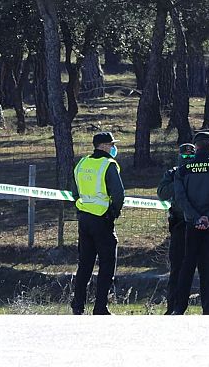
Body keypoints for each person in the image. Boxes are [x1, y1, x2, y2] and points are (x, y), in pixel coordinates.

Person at [172, 132, 209, 315]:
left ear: (196, 146)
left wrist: (196, 217)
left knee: (187, 265)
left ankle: (179, 307)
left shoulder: (184, 169)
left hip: (192, 224)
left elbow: (180, 197)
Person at [71, 132, 125, 315]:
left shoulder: (82, 163)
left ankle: (78, 305)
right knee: (107, 263)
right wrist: (113, 213)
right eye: (111, 145)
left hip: (84, 219)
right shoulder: (108, 165)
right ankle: (100, 307)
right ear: (103, 146)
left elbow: (74, 191)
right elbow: (118, 194)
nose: (113, 148)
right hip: (102, 219)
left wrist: (80, 208)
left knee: (84, 264)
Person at [157, 143, 196, 315]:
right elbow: (162, 192)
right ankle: (172, 306)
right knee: (176, 268)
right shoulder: (173, 173)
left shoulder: (200, 172)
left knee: (203, 267)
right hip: (179, 224)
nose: (187, 160)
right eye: (184, 157)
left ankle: (208, 307)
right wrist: (180, 181)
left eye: (190, 157)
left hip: (197, 224)